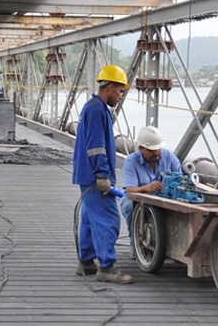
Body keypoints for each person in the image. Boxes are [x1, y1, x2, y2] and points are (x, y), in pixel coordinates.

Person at [72, 64, 133, 284]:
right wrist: (102, 174)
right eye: (120, 91)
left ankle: (86, 262)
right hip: (94, 175)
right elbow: (96, 146)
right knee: (108, 219)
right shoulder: (98, 110)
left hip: (85, 174)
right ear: (109, 87)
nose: (120, 96)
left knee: (89, 218)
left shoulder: (92, 106)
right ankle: (107, 268)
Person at [121, 125, 182, 249]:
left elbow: (181, 180)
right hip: (138, 200)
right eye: (152, 150)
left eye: (159, 149)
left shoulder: (169, 157)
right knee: (129, 206)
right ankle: (136, 245)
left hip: (165, 198)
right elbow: (129, 190)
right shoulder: (131, 162)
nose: (157, 153)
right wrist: (146, 188)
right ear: (141, 148)